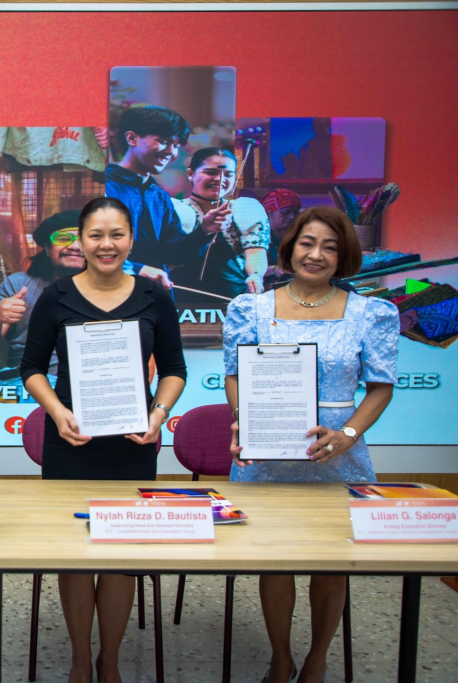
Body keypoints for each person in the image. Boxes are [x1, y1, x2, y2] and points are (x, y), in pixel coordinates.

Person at [223, 206, 398, 683]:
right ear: (290, 247)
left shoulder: (371, 313)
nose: (315, 254)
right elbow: (235, 376)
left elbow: (380, 386)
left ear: (345, 256)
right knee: (274, 560)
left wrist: (347, 435)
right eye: (307, 243)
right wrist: (246, 422)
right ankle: (280, 658)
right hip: (267, 458)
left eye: (330, 247)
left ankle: (317, 658)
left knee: (332, 564)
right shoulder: (251, 308)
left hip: (337, 459)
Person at [21, 197, 187, 683]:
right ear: (80, 239)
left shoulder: (155, 296)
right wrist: (58, 412)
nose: (106, 245)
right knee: (74, 557)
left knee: (120, 556)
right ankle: (78, 658)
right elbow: (31, 368)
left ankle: (109, 659)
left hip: (132, 444)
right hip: (70, 441)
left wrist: (159, 414)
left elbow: (174, 370)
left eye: (117, 235)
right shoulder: (56, 295)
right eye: (96, 235)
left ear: (131, 239)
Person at [105, 105, 219, 287]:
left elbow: (175, 255)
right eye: (164, 141)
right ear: (132, 138)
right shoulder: (103, 187)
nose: (171, 152)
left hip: (155, 296)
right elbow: (87, 249)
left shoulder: (159, 196)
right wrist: (138, 269)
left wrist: (204, 230)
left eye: (176, 145)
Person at [0, 210, 85, 374]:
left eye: (84, 239)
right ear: (47, 249)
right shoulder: (18, 284)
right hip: (30, 384)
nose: (74, 246)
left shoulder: (116, 289)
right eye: (63, 239)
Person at [172, 148, 271, 299]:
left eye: (228, 174)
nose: (220, 179)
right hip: (180, 298)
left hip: (233, 300)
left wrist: (256, 275)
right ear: (191, 174)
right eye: (211, 172)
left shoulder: (245, 208)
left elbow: (255, 251)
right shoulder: (173, 208)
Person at [261, 188, 303, 269]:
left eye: (296, 212)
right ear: (268, 212)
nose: (292, 217)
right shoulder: (256, 238)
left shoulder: (299, 235)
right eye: (285, 212)